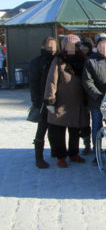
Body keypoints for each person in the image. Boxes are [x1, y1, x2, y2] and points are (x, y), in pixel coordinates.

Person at [44, 34, 89, 168]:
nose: (71, 48)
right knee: (59, 131)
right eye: (68, 45)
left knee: (74, 130)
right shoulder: (58, 60)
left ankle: (74, 153)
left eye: (74, 45)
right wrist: (50, 99)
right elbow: (52, 81)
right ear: (64, 47)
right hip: (61, 102)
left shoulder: (83, 60)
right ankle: (61, 156)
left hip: (77, 102)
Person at [82, 33, 106, 164]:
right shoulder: (90, 61)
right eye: (100, 44)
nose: (103, 46)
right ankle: (97, 152)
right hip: (96, 101)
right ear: (97, 45)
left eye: (105, 43)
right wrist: (98, 96)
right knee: (97, 127)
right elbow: (87, 81)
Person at [29, 37, 58, 168]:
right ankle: (38, 158)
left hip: (55, 100)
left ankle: (54, 151)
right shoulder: (37, 63)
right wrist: (36, 101)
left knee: (54, 127)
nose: (52, 49)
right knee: (42, 129)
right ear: (43, 47)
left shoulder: (57, 60)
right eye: (49, 46)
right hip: (42, 101)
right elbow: (33, 83)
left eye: (54, 46)